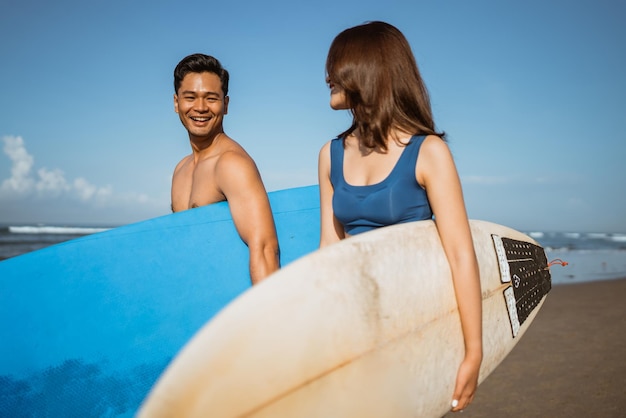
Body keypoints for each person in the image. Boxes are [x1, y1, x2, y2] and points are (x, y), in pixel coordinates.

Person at [317, 22, 482, 413]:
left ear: (368, 69)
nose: (327, 76)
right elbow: (328, 250)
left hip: (416, 324)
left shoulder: (429, 152)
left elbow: (460, 254)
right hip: (356, 327)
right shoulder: (329, 154)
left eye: (337, 66)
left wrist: (474, 350)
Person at [171, 53, 279, 284]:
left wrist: (268, 317)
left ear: (226, 104)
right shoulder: (181, 168)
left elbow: (264, 249)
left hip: (231, 301)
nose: (200, 107)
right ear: (176, 103)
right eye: (190, 97)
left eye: (211, 98)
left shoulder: (231, 164)